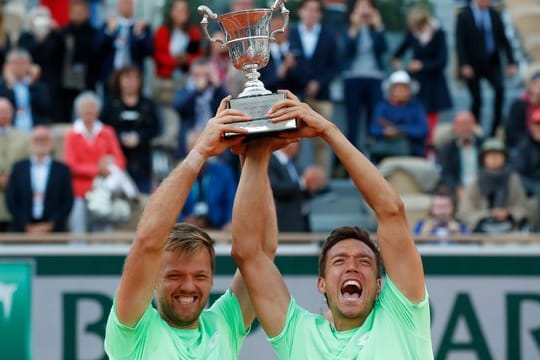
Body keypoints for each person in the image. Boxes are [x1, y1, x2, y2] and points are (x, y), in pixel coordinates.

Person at [231, 90, 433, 358]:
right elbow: (248, 253)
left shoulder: (403, 316)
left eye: (364, 261)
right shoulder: (299, 334)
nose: (352, 266)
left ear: (380, 284)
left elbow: (391, 210)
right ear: (322, 284)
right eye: (339, 261)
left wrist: (328, 130)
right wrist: (257, 150)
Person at [104, 97, 278, 358]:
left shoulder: (223, 324)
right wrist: (199, 153)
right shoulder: (132, 329)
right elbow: (148, 241)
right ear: (153, 281)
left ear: (211, 280)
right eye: (174, 275)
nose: (188, 286)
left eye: (199, 276)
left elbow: (262, 253)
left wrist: (255, 152)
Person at [64, 91, 126, 234]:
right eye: (85, 109)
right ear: (78, 111)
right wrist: (99, 169)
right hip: (79, 192)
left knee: (104, 233)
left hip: (104, 191)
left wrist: (109, 167)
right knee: (78, 231)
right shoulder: (72, 134)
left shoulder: (107, 132)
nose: (89, 112)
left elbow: (120, 160)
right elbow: (71, 165)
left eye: (92, 109)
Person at [391, 5, 452, 142]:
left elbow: (442, 61)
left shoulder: (438, 33)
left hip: (433, 84)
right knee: (417, 115)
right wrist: (401, 67)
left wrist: (422, 65)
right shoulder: (412, 33)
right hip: (418, 83)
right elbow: (397, 54)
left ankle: (429, 148)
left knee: (431, 120)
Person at [455, 0, 517, 136]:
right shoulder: (464, 15)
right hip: (473, 62)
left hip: (492, 61)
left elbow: (504, 40)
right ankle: (475, 128)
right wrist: (464, 64)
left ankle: (496, 125)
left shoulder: (494, 14)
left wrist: (511, 61)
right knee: (477, 98)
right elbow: (460, 42)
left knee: (500, 89)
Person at [101, 66, 160, 193]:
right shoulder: (110, 103)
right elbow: (103, 128)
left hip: (142, 160)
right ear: (119, 80)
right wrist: (120, 136)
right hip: (116, 160)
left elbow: (155, 128)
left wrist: (140, 137)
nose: (131, 83)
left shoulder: (147, 104)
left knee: (142, 199)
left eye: (135, 79)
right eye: (127, 79)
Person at [6, 126, 73, 233]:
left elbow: (67, 201)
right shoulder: (18, 168)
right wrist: (26, 225)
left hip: (54, 231)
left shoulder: (62, 170)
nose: (40, 142)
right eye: (37, 139)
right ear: (30, 143)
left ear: (52, 143)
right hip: (22, 231)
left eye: (45, 139)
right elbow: (11, 200)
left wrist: (50, 225)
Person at [341, 0, 387, 153]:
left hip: (374, 78)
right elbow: (346, 51)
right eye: (361, 6)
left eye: (368, 6)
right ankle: (351, 156)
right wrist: (355, 27)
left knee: (374, 119)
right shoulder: (348, 28)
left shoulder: (376, 29)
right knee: (353, 120)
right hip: (353, 78)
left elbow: (383, 49)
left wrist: (379, 26)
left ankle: (373, 154)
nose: (364, 9)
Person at [457, 138, 529, 233]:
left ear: (504, 158)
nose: (494, 158)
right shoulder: (475, 181)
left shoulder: (513, 180)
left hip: (510, 228)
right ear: (483, 159)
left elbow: (522, 208)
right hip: (481, 229)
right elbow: (464, 212)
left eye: (498, 155)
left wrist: (508, 213)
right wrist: (487, 214)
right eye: (490, 155)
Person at [369, 70, 429, 163]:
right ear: (391, 90)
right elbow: (373, 128)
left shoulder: (416, 106)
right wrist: (384, 132)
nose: (401, 91)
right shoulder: (383, 106)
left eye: (404, 88)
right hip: (384, 155)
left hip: (412, 154)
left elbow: (423, 129)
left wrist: (401, 131)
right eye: (398, 88)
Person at [269, 141, 326, 232]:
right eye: (295, 141)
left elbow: (300, 192)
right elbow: (275, 188)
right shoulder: (270, 161)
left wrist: (311, 186)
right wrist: (303, 182)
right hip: (283, 223)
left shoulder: (294, 164)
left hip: (301, 222)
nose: (298, 145)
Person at [0, 98, 31, 232]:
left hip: (16, 200)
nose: (3, 114)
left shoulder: (25, 137)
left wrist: (12, 179)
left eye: (6, 111)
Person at [437, 111, 483, 199]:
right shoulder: (448, 148)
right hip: (457, 188)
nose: (465, 127)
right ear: (455, 127)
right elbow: (445, 172)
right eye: (461, 124)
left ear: (474, 125)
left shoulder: (484, 145)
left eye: (468, 124)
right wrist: (456, 187)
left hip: (481, 187)